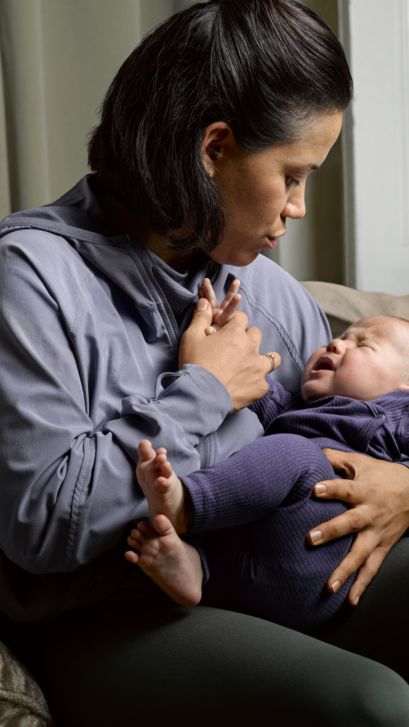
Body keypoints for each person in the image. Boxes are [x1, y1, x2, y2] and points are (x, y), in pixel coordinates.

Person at [0, 1, 409, 725]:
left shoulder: (270, 295)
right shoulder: (28, 277)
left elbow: (341, 428)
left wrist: (402, 483)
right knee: (367, 705)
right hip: (106, 611)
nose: (298, 208)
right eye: (290, 175)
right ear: (214, 147)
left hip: (256, 575)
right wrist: (204, 390)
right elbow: (40, 523)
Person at [125, 311, 409, 632]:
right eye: (341, 337)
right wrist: (223, 343)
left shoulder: (397, 412)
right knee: (244, 491)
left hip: (321, 562)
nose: (336, 343)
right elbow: (255, 391)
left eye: (363, 344)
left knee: (295, 452)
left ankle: (189, 504)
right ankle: (196, 569)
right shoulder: (296, 408)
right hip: (259, 559)